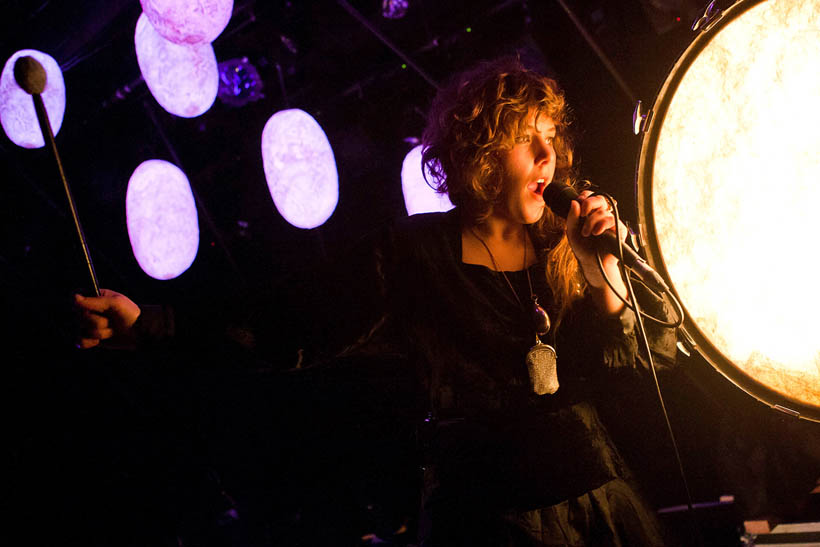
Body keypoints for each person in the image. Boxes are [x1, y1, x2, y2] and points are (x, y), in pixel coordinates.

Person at [75, 56, 676, 545]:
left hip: (602, 511)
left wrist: (605, 275)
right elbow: (290, 324)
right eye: (526, 139)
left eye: (550, 139)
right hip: (495, 521)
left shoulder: (566, 245)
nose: (549, 157)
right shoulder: (414, 254)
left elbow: (652, 363)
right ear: (478, 150)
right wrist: (152, 323)